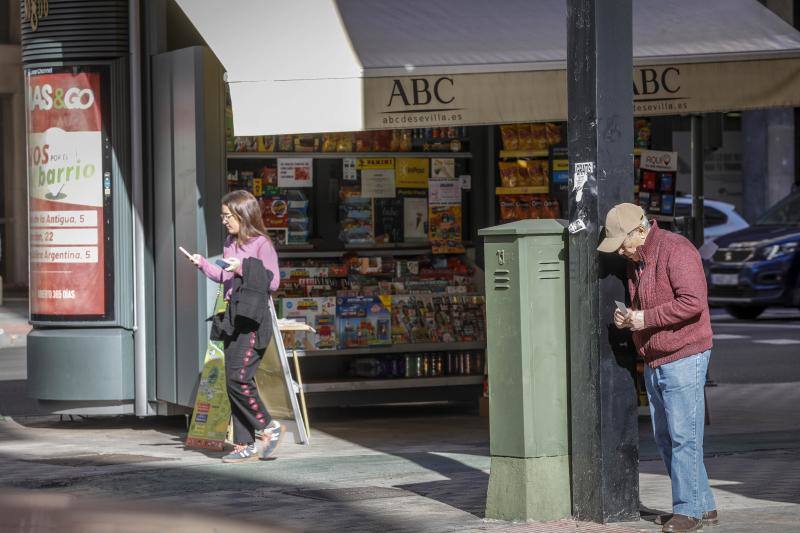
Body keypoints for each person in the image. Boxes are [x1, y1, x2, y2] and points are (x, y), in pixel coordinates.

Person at [598, 203, 718, 533]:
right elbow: (648, 303)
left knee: (683, 437)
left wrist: (645, 318)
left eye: (623, 242)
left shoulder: (676, 249)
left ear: (640, 231)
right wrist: (631, 316)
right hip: (656, 356)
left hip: (685, 354)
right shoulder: (637, 260)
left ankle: (688, 511)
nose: (621, 251)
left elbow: (693, 302)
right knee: (668, 437)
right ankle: (703, 505)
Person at [186, 190, 284, 463]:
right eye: (223, 216)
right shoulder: (231, 242)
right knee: (233, 381)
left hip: (252, 318)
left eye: (228, 215)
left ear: (243, 214)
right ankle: (244, 444)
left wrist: (242, 267)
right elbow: (223, 276)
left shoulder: (261, 243)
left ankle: (267, 426)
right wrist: (202, 264)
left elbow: (273, 281)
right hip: (232, 315)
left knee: (238, 377)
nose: (224, 221)